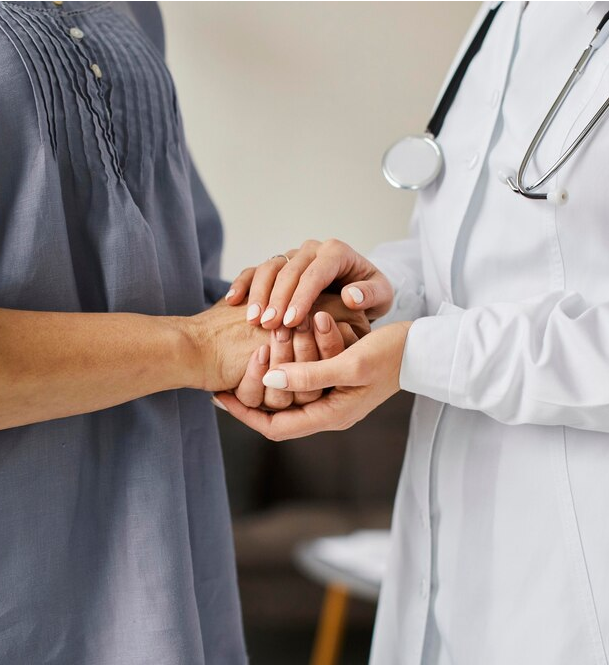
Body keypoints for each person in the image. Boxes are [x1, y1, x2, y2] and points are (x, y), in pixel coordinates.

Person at [217, 2, 609, 663]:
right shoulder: (506, 14)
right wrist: (369, 297)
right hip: (443, 563)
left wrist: (420, 354)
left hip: (577, 587)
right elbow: (468, 255)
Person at [0, 2, 364, 662]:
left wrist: (283, 319)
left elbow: (172, 272)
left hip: (159, 554)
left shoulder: (130, 9)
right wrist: (196, 348)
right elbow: (193, 338)